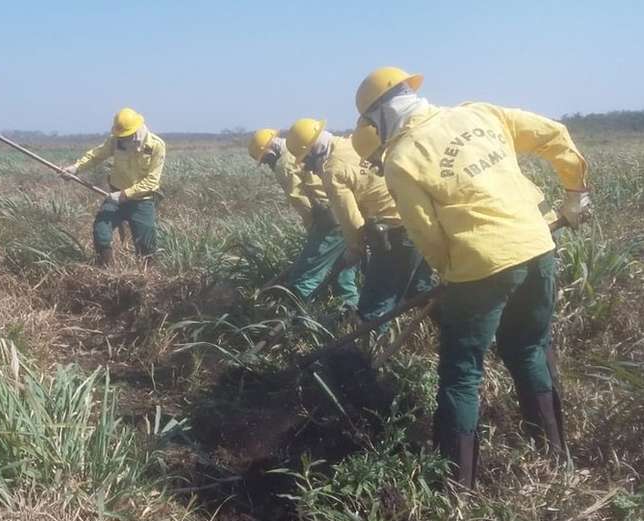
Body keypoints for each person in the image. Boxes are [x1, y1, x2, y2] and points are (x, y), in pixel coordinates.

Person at [354, 66, 591, 487]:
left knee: (462, 373)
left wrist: (450, 275)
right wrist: (576, 192)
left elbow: (426, 233)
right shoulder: (478, 113)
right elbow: (553, 134)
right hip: (537, 247)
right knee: (529, 350)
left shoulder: (403, 158)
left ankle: (456, 491)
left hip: (480, 267)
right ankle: (556, 458)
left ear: (380, 117)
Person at [284, 119, 436, 324]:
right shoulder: (352, 143)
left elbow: (350, 219)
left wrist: (354, 250)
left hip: (394, 233)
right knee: (419, 289)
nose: (308, 167)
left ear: (313, 150)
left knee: (374, 307)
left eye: (306, 159)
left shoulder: (332, 170)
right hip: (419, 219)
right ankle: (454, 329)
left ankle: (371, 350)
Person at [247, 129, 359, 307]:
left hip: (328, 221)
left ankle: (297, 323)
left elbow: (300, 200)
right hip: (346, 215)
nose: (268, 164)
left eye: (265, 160)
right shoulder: (298, 151)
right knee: (343, 275)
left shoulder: (284, 164)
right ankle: (352, 315)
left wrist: (314, 233)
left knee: (304, 276)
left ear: (269, 152)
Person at [63, 108, 165, 266]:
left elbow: (152, 181)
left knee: (146, 244)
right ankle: (105, 271)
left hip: (141, 201)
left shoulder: (156, 146)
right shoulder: (115, 140)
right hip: (115, 196)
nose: (122, 140)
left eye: (126, 136)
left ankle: (148, 275)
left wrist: (124, 194)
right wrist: (75, 168)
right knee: (101, 230)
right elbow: (96, 155)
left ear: (136, 131)